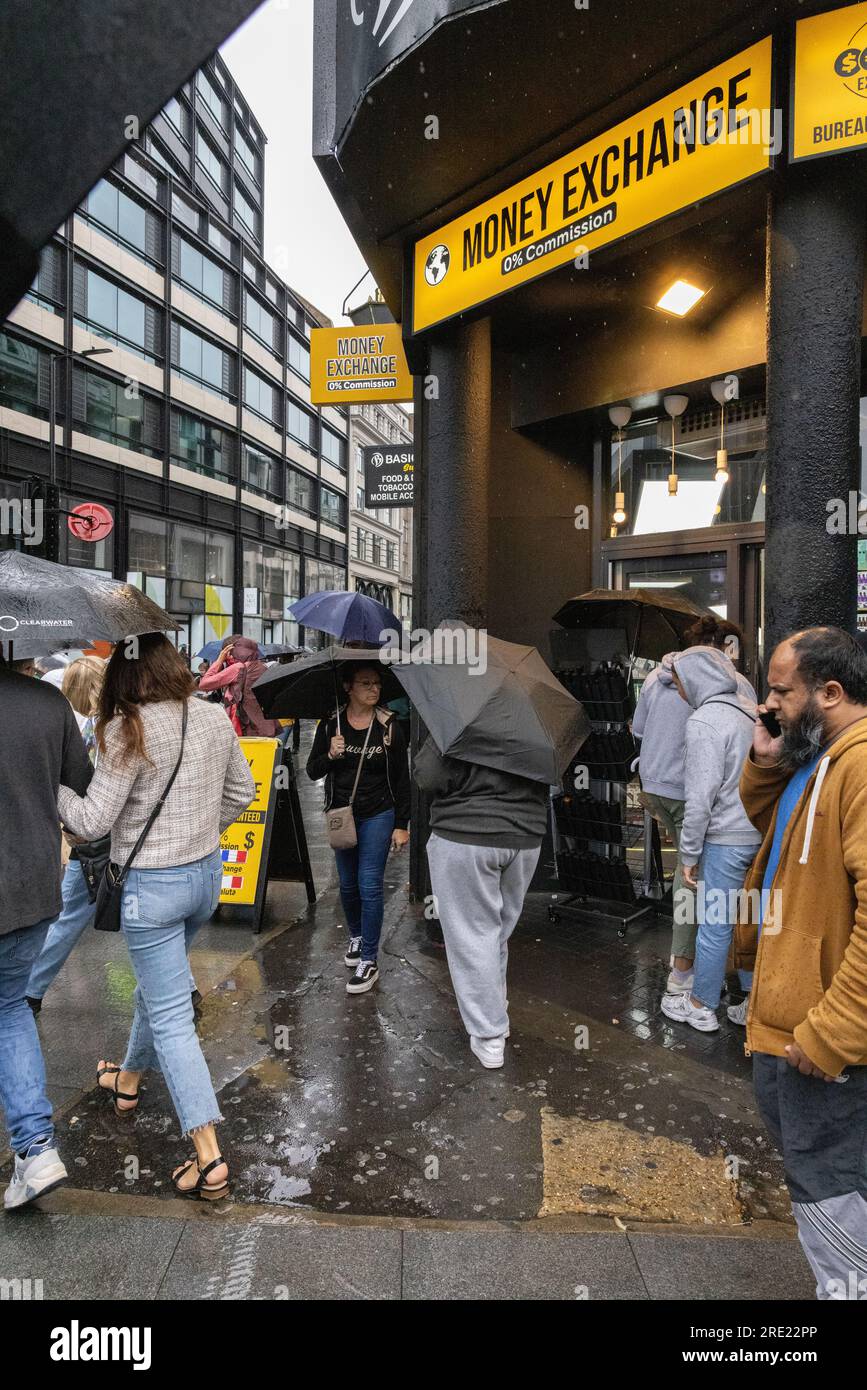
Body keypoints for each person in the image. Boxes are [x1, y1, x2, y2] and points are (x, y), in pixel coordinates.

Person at [56, 634, 255, 1199]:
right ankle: (128, 1081)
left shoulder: (127, 728)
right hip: (204, 880)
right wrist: (201, 837)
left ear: (126, 674)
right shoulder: (213, 717)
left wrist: (51, 787)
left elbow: (92, 821)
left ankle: (210, 1157)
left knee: (171, 1016)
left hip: (149, 890)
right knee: (155, 992)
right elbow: (241, 789)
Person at [733, 626, 867, 1299]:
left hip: (822, 1041)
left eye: (781, 691)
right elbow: (779, 830)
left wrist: (832, 1031)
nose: (767, 703)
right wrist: (765, 758)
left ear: (830, 692)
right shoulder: (821, 759)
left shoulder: (861, 766)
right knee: (823, 1182)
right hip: (790, 1030)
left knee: (829, 1191)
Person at [0, 651, 91, 1209]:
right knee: (10, 1008)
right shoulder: (48, 702)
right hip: (32, 886)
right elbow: (80, 782)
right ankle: (36, 1149)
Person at [415, 738, 549, 1068]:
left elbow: (427, 776)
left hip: (465, 834)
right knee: (495, 934)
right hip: (525, 838)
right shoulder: (534, 720)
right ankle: (495, 1014)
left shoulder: (457, 717)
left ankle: (488, 1035)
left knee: (471, 938)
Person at [660, 644, 761, 1031]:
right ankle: (752, 1004)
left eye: (678, 681)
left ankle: (701, 1004)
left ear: (695, 680)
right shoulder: (751, 711)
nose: (678, 689)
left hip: (724, 838)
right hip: (758, 835)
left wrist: (688, 855)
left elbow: (699, 798)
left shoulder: (705, 721)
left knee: (715, 923)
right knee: (749, 919)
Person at [307, 663, 410, 993]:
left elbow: (401, 779)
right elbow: (311, 771)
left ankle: (369, 959)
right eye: (365, 683)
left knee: (369, 884)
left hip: (378, 813)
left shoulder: (389, 726)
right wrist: (330, 755)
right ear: (348, 687)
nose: (374, 689)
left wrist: (401, 825)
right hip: (341, 813)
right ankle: (356, 935)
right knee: (347, 886)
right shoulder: (331, 723)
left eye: (377, 683)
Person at [26, 656, 105, 1011]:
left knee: (67, 918)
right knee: (142, 919)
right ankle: (187, 988)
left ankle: (30, 991)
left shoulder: (88, 727)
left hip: (92, 841)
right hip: (121, 839)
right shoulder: (112, 723)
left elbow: (76, 783)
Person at [198, 635, 279, 736]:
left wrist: (219, 660)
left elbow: (204, 684)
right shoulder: (261, 666)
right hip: (266, 727)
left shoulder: (238, 668)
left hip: (247, 729)